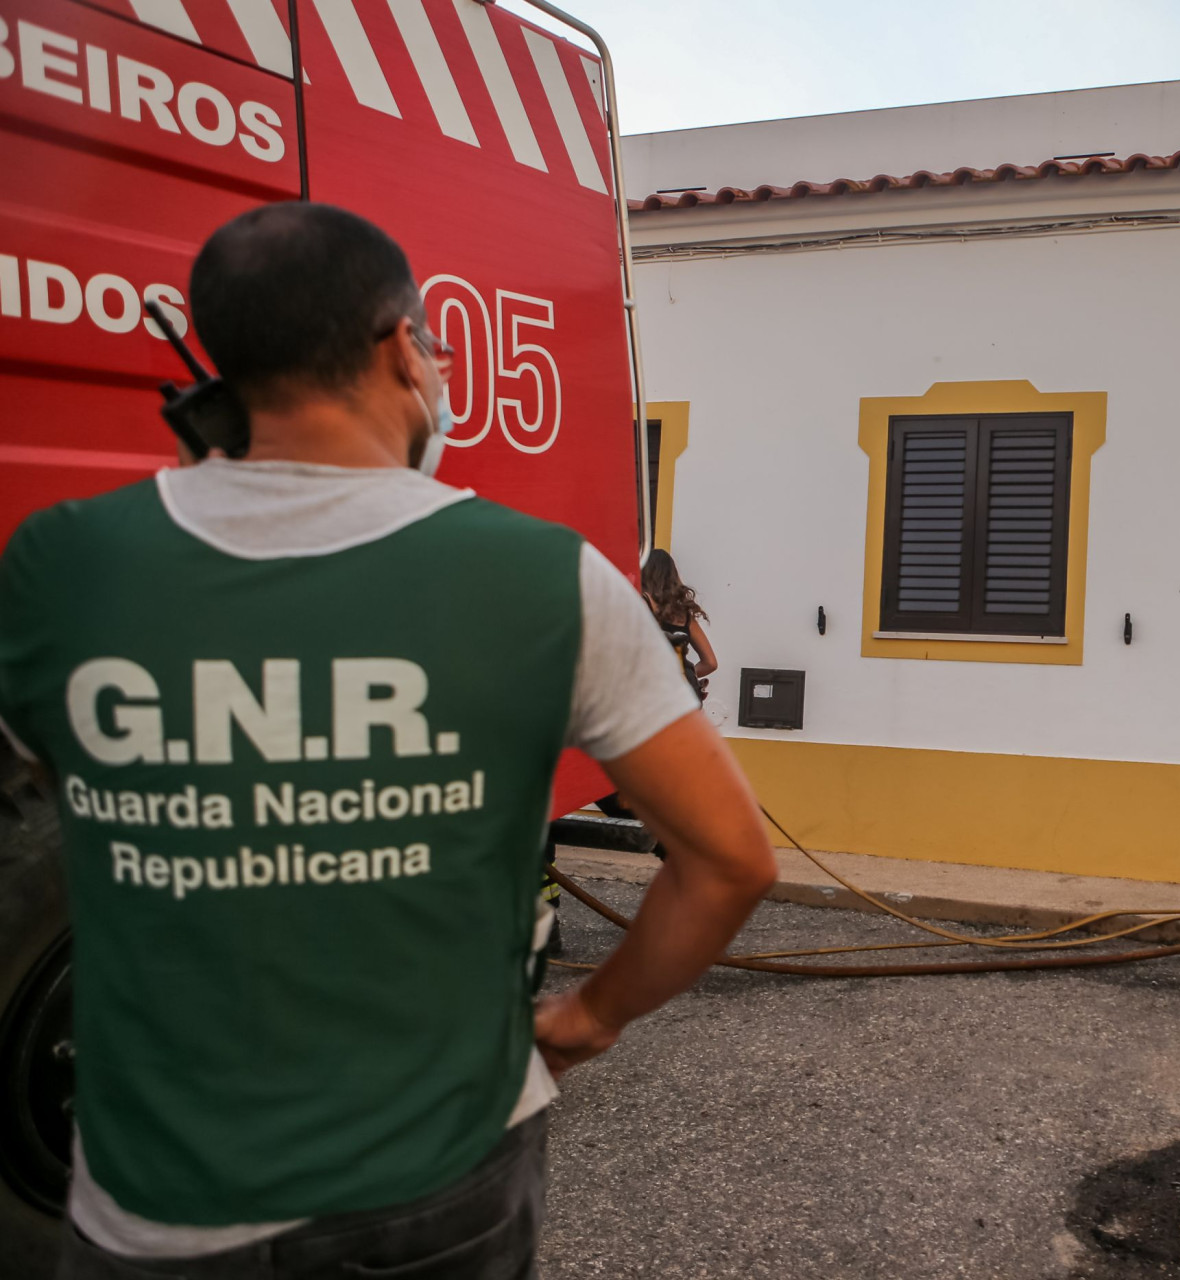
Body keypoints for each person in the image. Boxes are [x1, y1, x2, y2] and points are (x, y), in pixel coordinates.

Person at [0, 203, 779, 1278]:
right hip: (437, 1184)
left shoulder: (55, 567)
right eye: (436, 344)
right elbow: (732, 857)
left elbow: (54, 788)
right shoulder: (544, 578)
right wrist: (592, 1014)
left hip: (155, 1207)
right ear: (400, 346)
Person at [641, 546, 718, 701]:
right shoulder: (684, 613)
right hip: (685, 694)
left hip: (653, 691)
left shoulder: (642, 602)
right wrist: (684, 676)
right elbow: (710, 663)